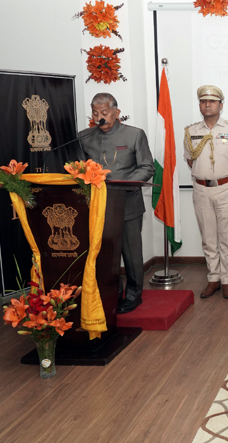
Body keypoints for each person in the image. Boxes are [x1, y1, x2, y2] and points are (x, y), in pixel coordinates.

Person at [78, 93, 154, 314]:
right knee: (104, 254)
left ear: (116, 112)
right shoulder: (84, 137)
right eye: (95, 113)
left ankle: (133, 295)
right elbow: (79, 168)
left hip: (127, 204)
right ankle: (109, 293)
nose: (99, 117)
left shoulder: (134, 135)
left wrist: (122, 184)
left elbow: (147, 167)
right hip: (96, 206)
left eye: (104, 113)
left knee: (130, 254)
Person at [184, 85, 228, 299]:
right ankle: (213, 279)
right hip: (201, 190)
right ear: (199, 105)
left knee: (226, 237)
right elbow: (189, 159)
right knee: (208, 238)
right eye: (203, 101)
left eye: (212, 101)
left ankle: (227, 280)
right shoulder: (191, 131)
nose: (207, 105)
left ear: (221, 105)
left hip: (226, 190)